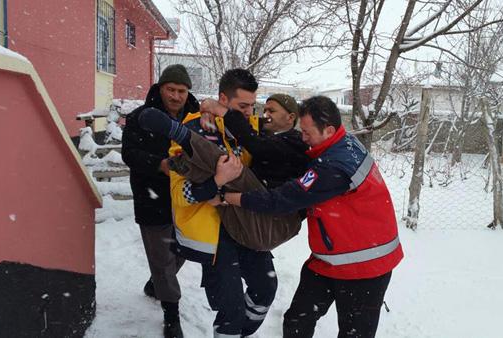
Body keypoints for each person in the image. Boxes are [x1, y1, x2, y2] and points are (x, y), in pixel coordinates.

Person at [220, 96, 404, 338]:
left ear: (328, 130)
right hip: (329, 260)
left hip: (365, 267)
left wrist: (230, 198)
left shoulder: (334, 167)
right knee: (297, 320)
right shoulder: (339, 143)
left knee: (354, 334)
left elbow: (283, 200)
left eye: (307, 132)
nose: (303, 137)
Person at [138, 69, 304, 337]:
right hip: (215, 236)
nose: (251, 113)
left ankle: (240, 332)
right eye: (243, 106)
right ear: (223, 100)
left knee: (265, 290)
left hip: (247, 224)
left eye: (253, 106)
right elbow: (181, 193)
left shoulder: (249, 128)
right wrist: (215, 183)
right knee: (231, 310)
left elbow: (284, 133)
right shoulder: (191, 128)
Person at [122, 64, 198, 338]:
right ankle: (171, 315)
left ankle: (157, 284)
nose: (176, 96)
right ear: (161, 87)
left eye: (181, 90)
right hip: (152, 198)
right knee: (162, 258)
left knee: (187, 249)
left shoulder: (198, 119)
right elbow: (129, 155)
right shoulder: (140, 117)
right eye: (171, 90)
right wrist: (159, 165)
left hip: (190, 199)